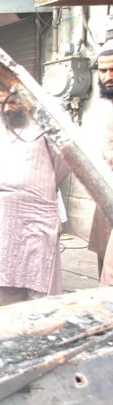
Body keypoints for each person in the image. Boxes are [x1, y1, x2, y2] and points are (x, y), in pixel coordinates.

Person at [0, 83, 69, 304]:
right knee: (7, 282)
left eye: (13, 102)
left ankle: (46, 337)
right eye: (1, 103)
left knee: (42, 288)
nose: (7, 108)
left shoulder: (46, 126)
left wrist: (33, 192)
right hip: (4, 220)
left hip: (38, 217)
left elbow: (62, 166)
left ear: (26, 99)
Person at [93, 39, 113, 286]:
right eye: (103, 70)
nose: (108, 76)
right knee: (103, 256)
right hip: (104, 189)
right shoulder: (103, 105)